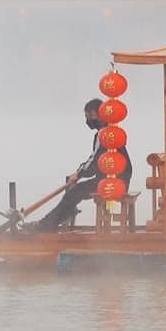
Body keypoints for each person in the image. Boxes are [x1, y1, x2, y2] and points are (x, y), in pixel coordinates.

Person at [35, 98, 124, 231]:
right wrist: (80, 172)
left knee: (75, 191)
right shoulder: (113, 131)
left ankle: (46, 226)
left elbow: (95, 162)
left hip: (110, 181)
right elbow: (96, 160)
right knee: (75, 191)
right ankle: (52, 221)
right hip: (119, 178)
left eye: (89, 116)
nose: (88, 121)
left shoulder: (103, 134)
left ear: (96, 114)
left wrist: (79, 174)